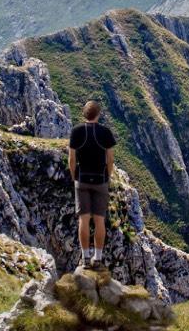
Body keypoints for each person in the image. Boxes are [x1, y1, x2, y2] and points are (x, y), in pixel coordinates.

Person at [68, 100, 116, 269]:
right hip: (100, 180)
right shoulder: (106, 133)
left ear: (84, 114)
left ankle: (85, 258)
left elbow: (72, 159)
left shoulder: (76, 132)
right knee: (99, 220)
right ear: (98, 114)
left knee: (84, 219)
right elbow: (110, 159)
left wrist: (74, 176)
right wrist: (107, 176)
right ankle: (98, 258)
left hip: (82, 179)